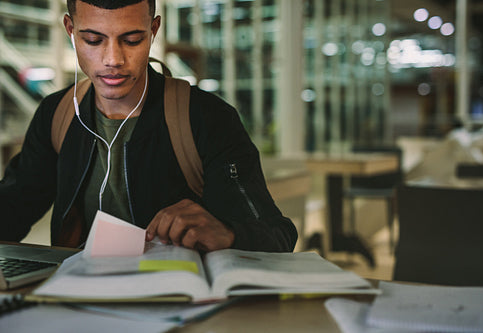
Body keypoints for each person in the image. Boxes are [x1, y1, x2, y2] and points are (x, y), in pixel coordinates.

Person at [0, 0, 297, 253]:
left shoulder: (207, 117)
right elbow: (13, 208)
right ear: (70, 30)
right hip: (76, 304)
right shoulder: (58, 114)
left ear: (153, 31)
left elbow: (277, 234)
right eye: (93, 40)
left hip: (180, 304)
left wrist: (228, 233)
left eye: (132, 40)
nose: (113, 59)